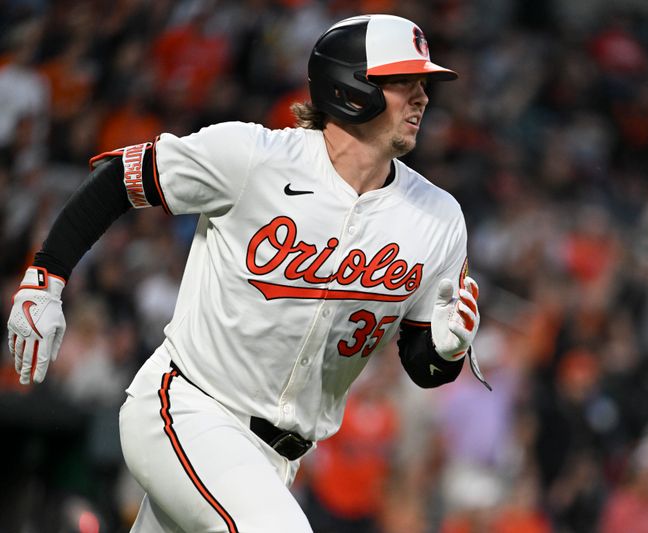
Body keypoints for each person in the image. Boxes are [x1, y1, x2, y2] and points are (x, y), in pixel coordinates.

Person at [6, 14, 485, 532]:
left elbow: (422, 365)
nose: (422, 98)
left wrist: (447, 351)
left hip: (278, 459)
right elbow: (120, 181)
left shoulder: (437, 217)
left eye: (424, 85)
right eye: (403, 82)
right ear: (352, 85)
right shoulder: (254, 157)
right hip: (188, 410)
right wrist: (44, 279)